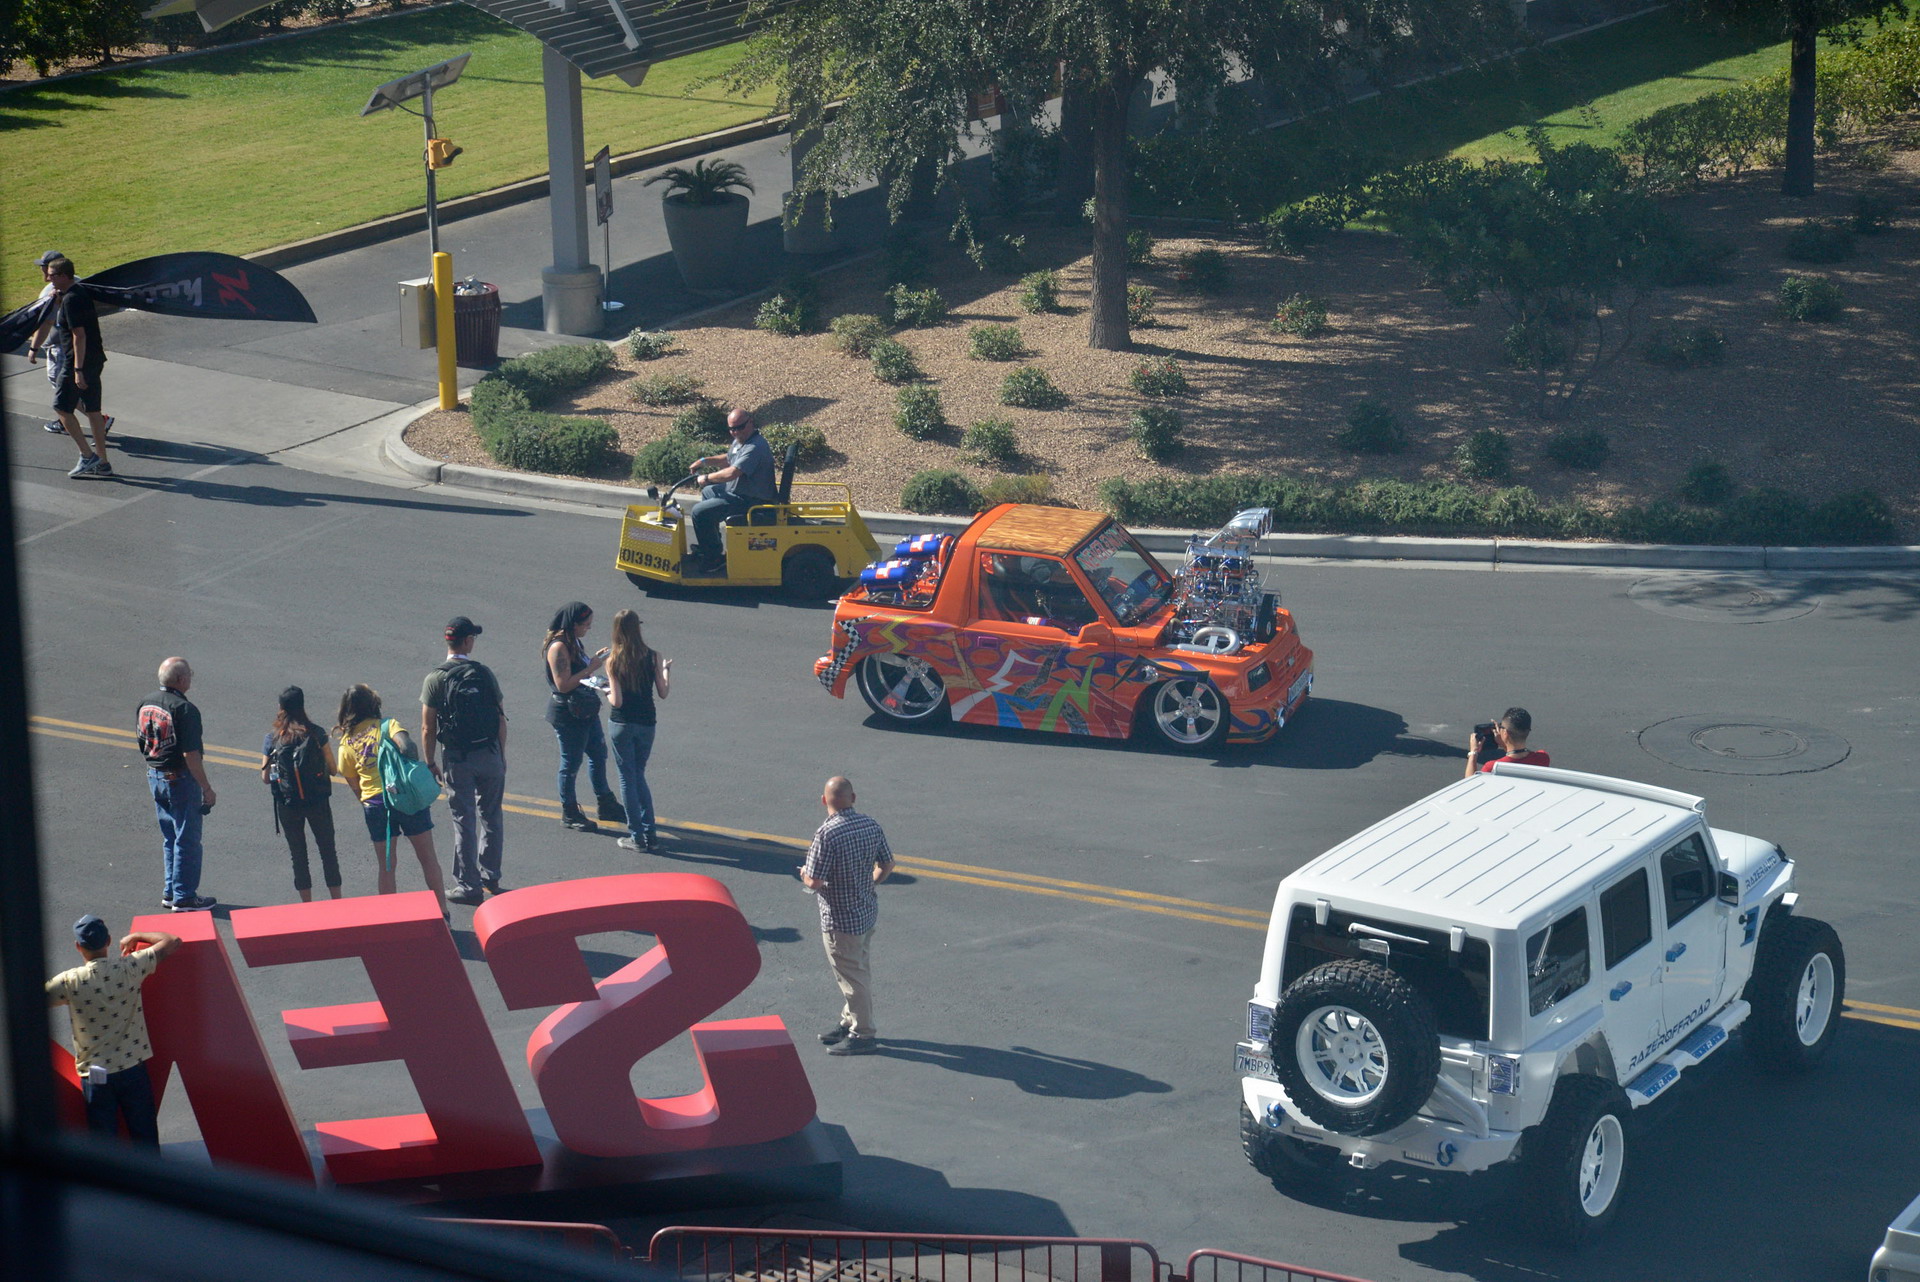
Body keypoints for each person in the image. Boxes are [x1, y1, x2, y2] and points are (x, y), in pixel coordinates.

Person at [46, 916, 181, 1146]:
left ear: (78, 946)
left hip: (95, 1073)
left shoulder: (70, 981)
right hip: (132, 1068)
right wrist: (137, 936)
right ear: (108, 941)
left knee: (104, 1143)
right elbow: (172, 941)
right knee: (145, 1136)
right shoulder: (130, 968)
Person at [334, 684, 449, 919]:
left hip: (375, 805)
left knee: (386, 866)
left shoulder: (346, 742)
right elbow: (408, 747)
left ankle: (391, 919)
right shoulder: (387, 725)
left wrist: (369, 802)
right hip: (404, 797)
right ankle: (443, 913)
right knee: (428, 859)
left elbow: (354, 783)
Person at [800, 776, 895, 1057]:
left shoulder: (827, 834)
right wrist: (869, 884)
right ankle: (849, 1020)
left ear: (824, 800)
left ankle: (863, 1033)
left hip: (840, 920)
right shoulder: (870, 824)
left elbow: (814, 881)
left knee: (853, 979)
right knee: (857, 970)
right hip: (866, 911)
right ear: (853, 798)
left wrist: (803, 874)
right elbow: (887, 863)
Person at [421, 616, 508, 905]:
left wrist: (430, 762)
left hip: (458, 758)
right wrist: (500, 755)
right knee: (491, 815)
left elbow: (428, 727)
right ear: (467, 642)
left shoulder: (435, 678)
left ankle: (468, 885)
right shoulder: (484, 674)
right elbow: (500, 718)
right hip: (489, 754)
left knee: (464, 820)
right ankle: (490, 875)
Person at [137, 657, 217, 912]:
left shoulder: (146, 702)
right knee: (187, 838)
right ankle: (184, 897)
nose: (191, 677)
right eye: (189, 673)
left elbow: (143, 741)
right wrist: (206, 788)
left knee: (170, 836)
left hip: (155, 775)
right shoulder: (185, 709)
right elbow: (190, 754)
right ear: (181, 680)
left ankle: (171, 891)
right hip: (179, 779)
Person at [543, 602, 625, 834]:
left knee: (598, 754)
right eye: (586, 624)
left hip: (585, 709)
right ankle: (569, 811)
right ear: (573, 624)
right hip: (568, 713)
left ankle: (605, 803)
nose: (588, 628)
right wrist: (591, 668)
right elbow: (563, 684)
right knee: (570, 763)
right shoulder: (558, 647)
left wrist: (592, 661)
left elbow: (577, 672)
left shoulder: (573, 642)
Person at [259, 686, 342, 903]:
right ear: (302, 705)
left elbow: (265, 777)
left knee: (298, 855)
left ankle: (307, 906)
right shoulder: (317, 733)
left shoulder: (272, 739)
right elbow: (333, 770)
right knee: (328, 851)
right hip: (317, 801)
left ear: (281, 708)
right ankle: (337, 902)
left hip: (288, 804)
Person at [35, 256, 114, 479]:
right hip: (95, 359)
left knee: (61, 408)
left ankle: (87, 455)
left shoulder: (71, 300)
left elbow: (79, 335)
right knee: (93, 410)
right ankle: (103, 462)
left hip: (76, 363)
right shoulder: (79, 293)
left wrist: (78, 370)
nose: (47, 279)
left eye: (51, 275)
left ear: (63, 276)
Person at [606, 609, 672, 854]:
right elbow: (663, 692)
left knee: (627, 778)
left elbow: (617, 701)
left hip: (622, 723)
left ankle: (637, 836)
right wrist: (666, 671)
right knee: (639, 775)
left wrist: (604, 691)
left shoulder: (613, 660)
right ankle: (650, 832)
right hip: (646, 723)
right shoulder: (653, 656)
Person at [684, 408, 776, 575]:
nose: (735, 432)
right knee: (709, 492)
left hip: (752, 501)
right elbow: (728, 459)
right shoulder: (741, 441)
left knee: (699, 512)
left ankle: (713, 559)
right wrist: (704, 461)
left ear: (750, 422)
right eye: (732, 429)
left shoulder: (755, 447)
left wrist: (707, 477)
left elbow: (732, 472)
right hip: (741, 493)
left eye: (740, 427)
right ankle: (712, 547)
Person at [1465, 706, 1551, 777]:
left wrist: (1473, 753)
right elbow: (1520, 759)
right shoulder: (1543, 758)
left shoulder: (1492, 767)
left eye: (1501, 727)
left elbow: (1470, 784)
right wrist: (1505, 744)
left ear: (1505, 733)